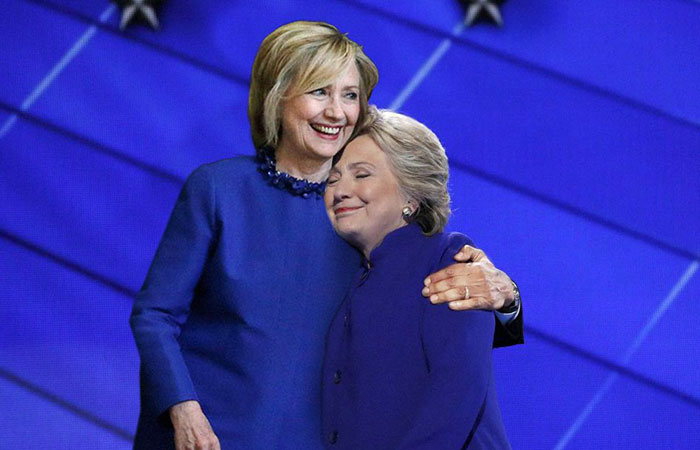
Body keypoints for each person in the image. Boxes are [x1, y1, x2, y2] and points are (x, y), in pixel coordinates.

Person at [130, 21, 521, 450]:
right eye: (320, 92)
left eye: (350, 95)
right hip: (203, 435)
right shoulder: (217, 188)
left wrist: (507, 298)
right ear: (278, 96)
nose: (337, 112)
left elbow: (442, 320)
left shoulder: (368, 211)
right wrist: (183, 410)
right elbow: (155, 315)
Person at [322, 108, 511, 449]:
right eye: (333, 179)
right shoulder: (350, 277)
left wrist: (511, 297)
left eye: (361, 174)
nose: (341, 190)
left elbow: (454, 401)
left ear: (411, 194)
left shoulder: (448, 259)